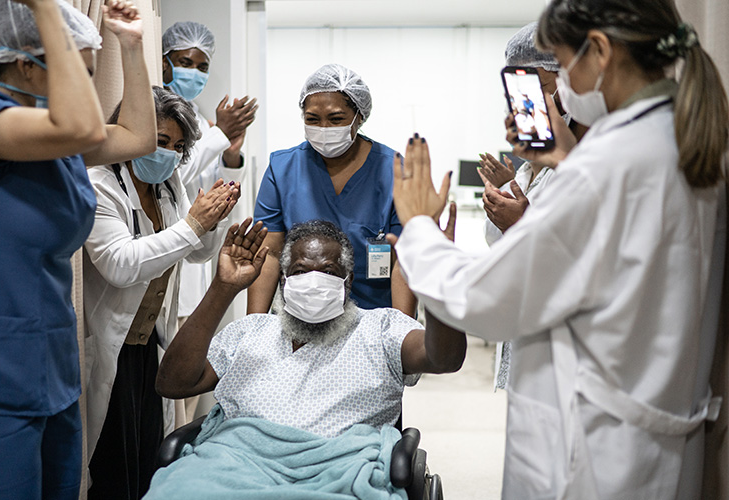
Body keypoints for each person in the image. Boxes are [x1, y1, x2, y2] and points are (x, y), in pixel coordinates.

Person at [389, 0, 728, 496]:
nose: (560, 85)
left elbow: (483, 302)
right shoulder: (682, 139)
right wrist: (568, 159)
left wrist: (418, 228)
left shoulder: (607, 168)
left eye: (562, 65)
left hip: (588, 455)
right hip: (655, 439)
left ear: (600, 52)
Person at [0, 0, 156, 498]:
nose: (84, 94)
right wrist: (44, 10)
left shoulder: (57, 144)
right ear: (27, 63)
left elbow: (139, 137)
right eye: (76, 73)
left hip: (51, 370)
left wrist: (132, 48)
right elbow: (83, 128)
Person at [146, 218, 465, 498]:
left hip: (338, 473)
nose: (313, 281)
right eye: (300, 271)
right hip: (233, 463)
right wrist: (222, 288)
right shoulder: (250, 331)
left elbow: (444, 358)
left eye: (328, 271)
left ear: (347, 282)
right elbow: (172, 383)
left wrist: (439, 284)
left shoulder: (380, 329)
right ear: (284, 282)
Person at [83, 86, 240, 500]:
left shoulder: (167, 184)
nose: (166, 153)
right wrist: (193, 224)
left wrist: (215, 219)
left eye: (176, 145)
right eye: (157, 140)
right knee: (108, 466)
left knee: (147, 459)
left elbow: (197, 252)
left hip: (148, 345)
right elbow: (120, 264)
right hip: (107, 345)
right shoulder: (99, 183)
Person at [249, 64, 415, 316]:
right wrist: (254, 325)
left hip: (372, 316)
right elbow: (269, 254)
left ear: (359, 116)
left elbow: (404, 260)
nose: (324, 128)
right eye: (312, 119)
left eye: (336, 119)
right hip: (301, 315)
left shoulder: (393, 171)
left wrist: (401, 332)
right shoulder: (282, 169)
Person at [479, 22, 564, 391]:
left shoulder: (590, 158)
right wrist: (503, 200)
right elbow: (500, 245)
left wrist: (522, 223)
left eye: (540, 88)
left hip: (561, 343)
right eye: (519, 94)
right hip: (528, 328)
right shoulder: (533, 168)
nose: (528, 105)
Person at [161, 20, 258, 323]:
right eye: (185, 62)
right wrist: (221, 135)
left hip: (200, 254)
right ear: (165, 64)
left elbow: (210, 182)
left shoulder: (201, 121)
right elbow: (169, 176)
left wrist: (230, 154)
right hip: (169, 244)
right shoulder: (159, 113)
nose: (194, 72)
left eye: (202, 67)